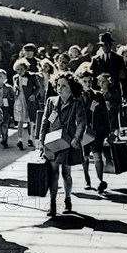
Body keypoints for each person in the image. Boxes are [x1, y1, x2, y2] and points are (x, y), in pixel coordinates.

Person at [40, 72, 86, 217]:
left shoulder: (77, 103)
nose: (60, 89)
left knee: (66, 173)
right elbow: (44, 122)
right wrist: (41, 142)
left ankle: (67, 199)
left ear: (71, 88)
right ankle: (53, 204)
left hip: (68, 143)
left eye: (64, 86)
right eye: (58, 85)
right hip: (52, 142)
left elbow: (82, 122)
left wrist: (77, 139)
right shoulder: (51, 101)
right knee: (53, 173)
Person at [76, 69, 111, 193]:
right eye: (84, 81)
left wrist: (109, 130)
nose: (87, 84)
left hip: (97, 130)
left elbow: (105, 114)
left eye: (90, 81)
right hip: (82, 131)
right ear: (79, 81)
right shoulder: (76, 96)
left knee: (97, 155)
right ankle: (87, 179)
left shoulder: (98, 95)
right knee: (84, 156)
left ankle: (100, 180)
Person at [12, 58, 42, 150]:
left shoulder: (31, 77)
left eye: (21, 69)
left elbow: (38, 87)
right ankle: (19, 140)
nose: (19, 71)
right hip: (19, 100)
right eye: (17, 69)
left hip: (29, 101)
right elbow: (15, 86)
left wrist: (34, 95)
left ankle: (30, 138)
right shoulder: (15, 77)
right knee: (20, 121)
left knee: (30, 121)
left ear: (26, 69)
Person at [0, 68, 15, 148]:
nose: (0, 78)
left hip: (5, 108)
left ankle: (5, 139)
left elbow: (13, 97)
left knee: (5, 124)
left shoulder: (9, 87)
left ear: (5, 78)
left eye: (1, 76)